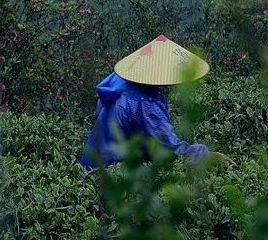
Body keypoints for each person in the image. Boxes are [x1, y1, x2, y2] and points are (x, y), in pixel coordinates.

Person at [80, 35, 234, 169]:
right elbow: (167, 147)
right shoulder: (145, 102)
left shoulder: (116, 84)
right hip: (114, 174)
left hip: (90, 166)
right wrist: (206, 155)